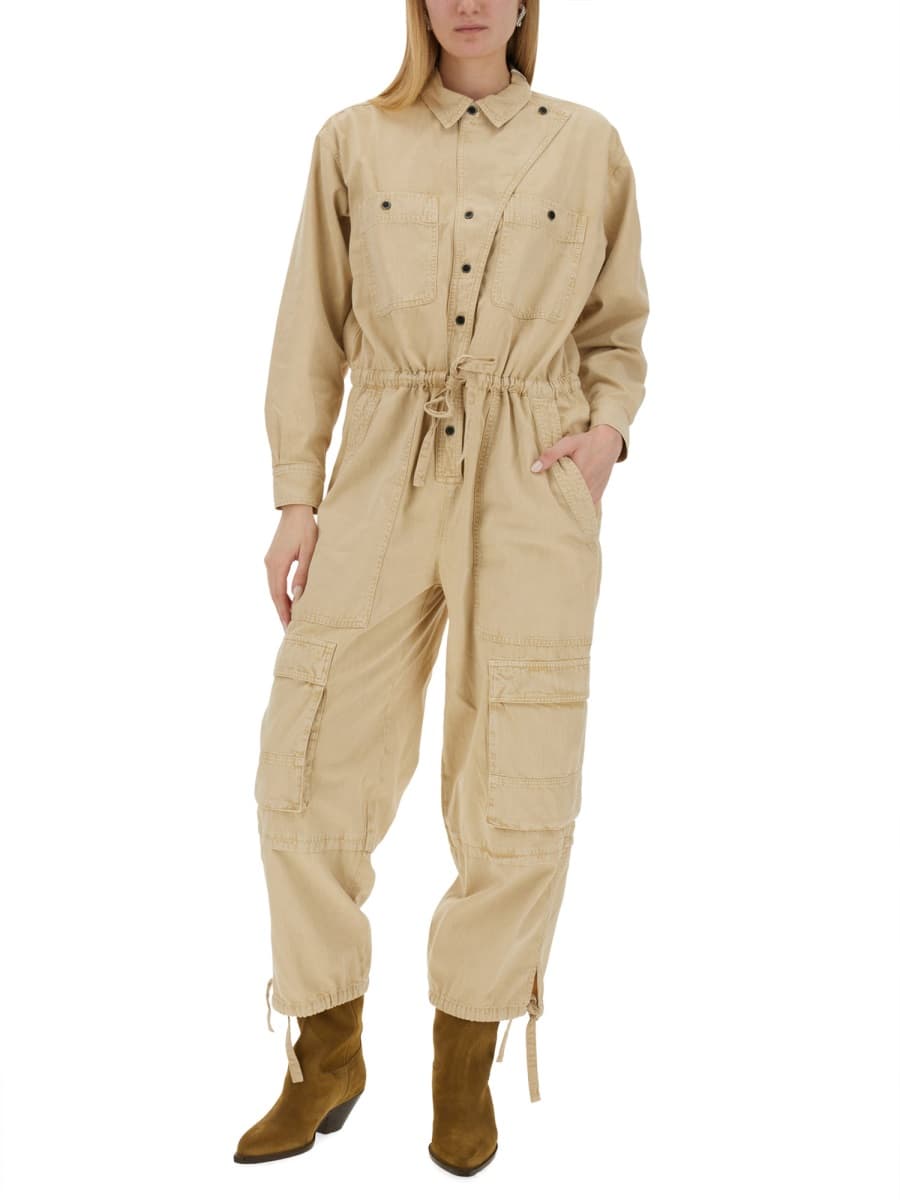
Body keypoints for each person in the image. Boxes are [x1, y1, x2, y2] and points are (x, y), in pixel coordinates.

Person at [233, 0, 649, 1176]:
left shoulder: (586, 142)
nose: (469, 1)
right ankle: (326, 1053)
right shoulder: (352, 140)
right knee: (305, 763)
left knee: (519, 775)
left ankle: (464, 1068)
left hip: (532, 473)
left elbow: (617, 327)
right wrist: (297, 498)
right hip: (380, 464)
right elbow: (310, 327)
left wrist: (606, 434)